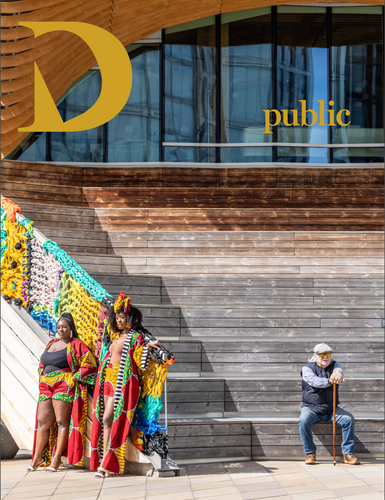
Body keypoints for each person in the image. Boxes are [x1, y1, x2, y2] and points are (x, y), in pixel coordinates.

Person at [90, 292, 161, 477]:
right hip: (107, 381)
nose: (119, 320)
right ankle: (105, 461)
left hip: (121, 382)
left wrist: (148, 347)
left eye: (122, 317)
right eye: (117, 317)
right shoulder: (116, 338)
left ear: (130, 318)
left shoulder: (136, 337)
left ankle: (106, 464)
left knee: (108, 418)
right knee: (104, 420)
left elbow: (140, 362)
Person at [28, 312, 98, 472]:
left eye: (64, 327)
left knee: (61, 422)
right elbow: (42, 364)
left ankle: (56, 460)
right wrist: (42, 377)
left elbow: (90, 364)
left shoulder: (77, 344)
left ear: (70, 328)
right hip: (46, 386)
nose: (61, 330)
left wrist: (75, 377)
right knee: (42, 423)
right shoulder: (51, 343)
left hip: (64, 384)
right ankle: (37, 458)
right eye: (59, 327)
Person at [299, 342, 360, 465]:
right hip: (312, 409)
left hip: (331, 410)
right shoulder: (307, 368)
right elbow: (314, 381)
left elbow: (338, 369)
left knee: (348, 419)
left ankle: (347, 454)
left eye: (328, 354)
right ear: (315, 356)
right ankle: (310, 452)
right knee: (303, 420)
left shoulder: (334, 365)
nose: (325, 357)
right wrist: (329, 381)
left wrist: (338, 372)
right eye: (321, 354)